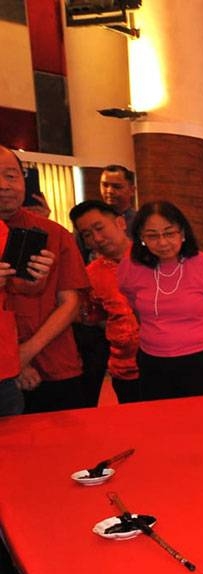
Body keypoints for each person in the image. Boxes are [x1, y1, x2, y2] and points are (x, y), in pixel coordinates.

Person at [118, 201, 203, 401]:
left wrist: (197, 342)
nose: (162, 243)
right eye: (152, 235)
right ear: (141, 238)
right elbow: (137, 311)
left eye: (169, 233)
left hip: (201, 362)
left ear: (182, 233)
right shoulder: (131, 267)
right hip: (152, 360)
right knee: (162, 422)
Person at [0, 145, 87, 414]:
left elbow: (70, 303)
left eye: (11, 176)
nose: (4, 186)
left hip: (52, 361)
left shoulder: (53, 233)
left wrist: (22, 354)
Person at [69, 200, 141, 404]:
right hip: (123, 369)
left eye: (99, 228)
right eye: (87, 235)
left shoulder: (150, 258)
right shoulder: (91, 274)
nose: (97, 238)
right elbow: (94, 316)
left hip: (160, 363)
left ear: (120, 223)